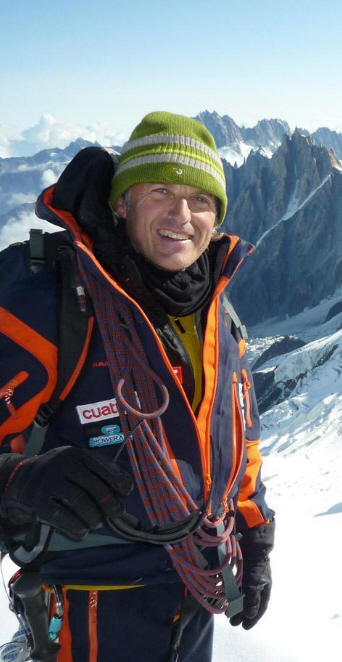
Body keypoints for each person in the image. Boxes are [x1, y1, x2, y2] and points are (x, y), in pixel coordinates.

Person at [0, 112, 275, 661]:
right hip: (85, 615)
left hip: (193, 606)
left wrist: (255, 536)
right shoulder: (43, 298)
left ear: (218, 219)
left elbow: (238, 445)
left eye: (200, 200)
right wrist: (15, 482)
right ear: (121, 204)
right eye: (160, 191)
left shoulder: (219, 318)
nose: (181, 215)